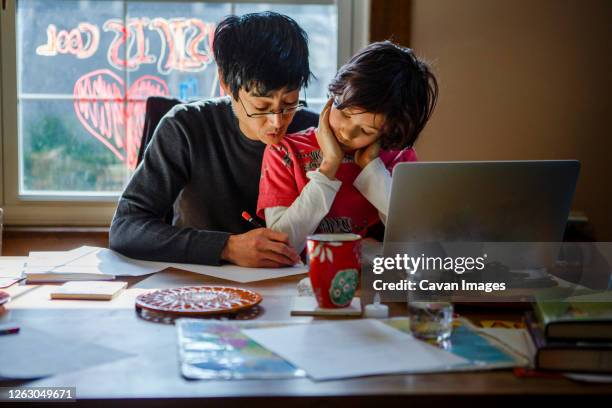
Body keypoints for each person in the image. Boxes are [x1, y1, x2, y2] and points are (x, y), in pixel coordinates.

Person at [109, 12, 318, 267]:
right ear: (226, 83)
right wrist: (227, 247)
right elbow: (125, 228)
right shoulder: (186, 128)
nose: (277, 121)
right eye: (261, 106)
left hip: (294, 287)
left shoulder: (315, 133)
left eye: (289, 103)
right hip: (198, 289)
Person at [257, 41, 438, 253]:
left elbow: (419, 242)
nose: (347, 132)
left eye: (366, 131)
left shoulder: (399, 160)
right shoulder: (285, 152)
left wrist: (373, 170)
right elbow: (281, 244)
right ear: (333, 95)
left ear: (387, 132)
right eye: (343, 113)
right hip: (300, 281)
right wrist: (328, 167)